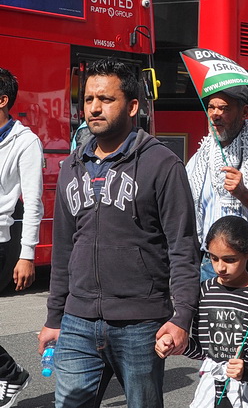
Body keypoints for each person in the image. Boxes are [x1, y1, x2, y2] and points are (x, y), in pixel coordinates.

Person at [38, 58, 201, 408]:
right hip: (77, 323)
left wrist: (181, 316)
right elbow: (65, 249)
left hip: (140, 326)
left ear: (133, 106)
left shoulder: (163, 164)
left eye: (106, 99)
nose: (94, 108)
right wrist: (54, 318)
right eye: (88, 99)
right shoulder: (71, 166)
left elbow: (183, 247)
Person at [156, 216, 248, 408]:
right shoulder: (204, 291)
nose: (220, 267)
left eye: (230, 259)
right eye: (213, 258)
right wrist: (178, 345)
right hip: (211, 391)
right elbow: (204, 350)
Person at [186, 85, 248, 283]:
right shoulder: (200, 158)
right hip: (210, 265)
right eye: (211, 107)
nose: (215, 114)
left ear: (244, 112)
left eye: (224, 108)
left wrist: (244, 194)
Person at [0, 67, 44, 407]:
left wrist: (27, 253)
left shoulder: (26, 142)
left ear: (2, 100)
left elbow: (33, 203)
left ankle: (12, 374)